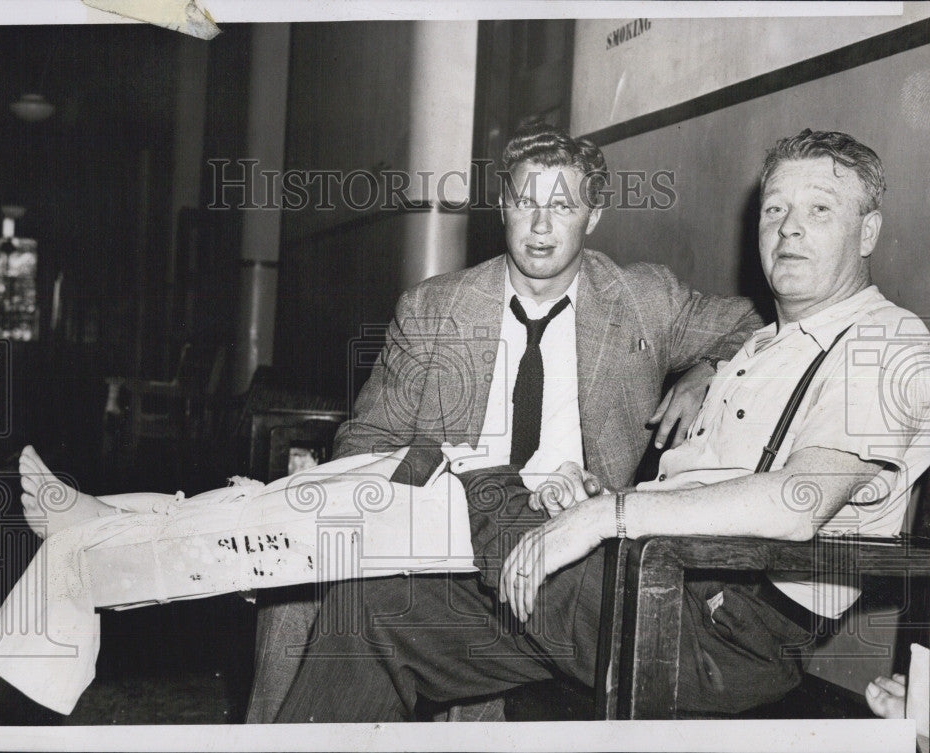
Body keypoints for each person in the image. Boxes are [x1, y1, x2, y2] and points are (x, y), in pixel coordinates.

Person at [274, 129, 930, 722]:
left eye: (819, 210)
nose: (789, 229)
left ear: (868, 231)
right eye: (775, 209)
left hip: (716, 625)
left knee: (483, 486)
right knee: (376, 611)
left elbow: (799, 502)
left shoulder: (888, 341)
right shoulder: (769, 343)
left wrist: (604, 513)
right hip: (643, 585)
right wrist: (590, 497)